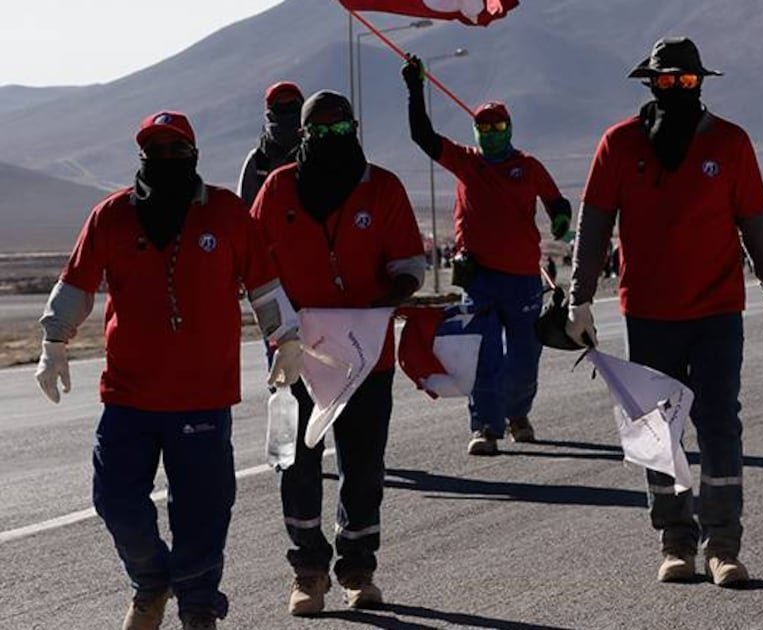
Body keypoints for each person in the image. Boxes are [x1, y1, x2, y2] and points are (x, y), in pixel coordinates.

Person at [35, 111, 302, 630]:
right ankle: (151, 582)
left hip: (203, 394)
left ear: (193, 155)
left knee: (203, 509)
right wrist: (53, 341)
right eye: (155, 151)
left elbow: (263, 284)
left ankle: (198, 604)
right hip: (129, 394)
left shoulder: (225, 213)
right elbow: (77, 282)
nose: (165, 159)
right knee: (116, 500)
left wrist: (285, 338)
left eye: (175, 150)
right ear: (142, 157)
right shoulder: (112, 216)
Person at [566, 37, 763, 587]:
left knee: (719, 426)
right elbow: (593, 225)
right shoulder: (619, 144)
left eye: (686, 81)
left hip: (717, 311)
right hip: (648, 313)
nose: (676, 89)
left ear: (701, 83)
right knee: (657, 431)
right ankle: (675, 542)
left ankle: (723, 546)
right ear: (651, 84)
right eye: (666, 81)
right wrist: (579, 297)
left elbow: (756, 223)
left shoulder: (730, 143)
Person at [249, 90, 426, 615]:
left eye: (340, 129)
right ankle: (308, 571)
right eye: (320, 131)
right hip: (293, 351)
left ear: (355, 130)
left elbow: (409, 264)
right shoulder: (278, 189)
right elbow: (254, 266)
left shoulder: (383, 187)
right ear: (303, 137)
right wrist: (279, 330)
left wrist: (386, 299)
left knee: (364, 464)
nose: (332, 139)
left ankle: (357, 569)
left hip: (366, 353)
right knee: (294, 461)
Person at [402, 55, 573, 455]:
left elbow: (556, 200)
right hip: (479, 279)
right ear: (475, 130)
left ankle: (518, 414)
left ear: (509, 128)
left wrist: (561, 219)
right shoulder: (465, 162)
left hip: (523, 279)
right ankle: (485, 428)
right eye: (484, 127)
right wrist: (415, 88)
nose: (491, 133)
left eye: (497, 126)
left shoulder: (527, 166)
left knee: (524, 357)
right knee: (484, 355)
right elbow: (422, 136)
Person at [238, 82, 305, 206]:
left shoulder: (317, 152)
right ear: (270, 113)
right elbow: (245, 212)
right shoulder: (258, 161)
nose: (287, 113)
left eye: (292, 106)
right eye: (280, 108)